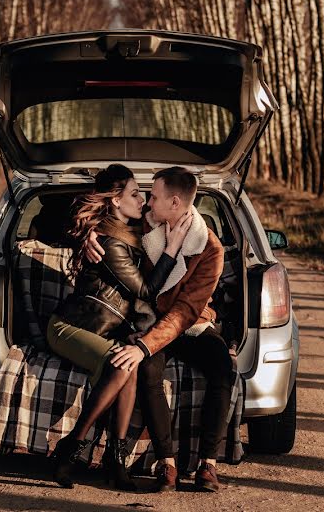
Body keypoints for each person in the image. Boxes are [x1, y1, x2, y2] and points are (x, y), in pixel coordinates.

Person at [86, 166, 234, 493]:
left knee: (223, 366)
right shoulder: (146, 224)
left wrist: (144, 345)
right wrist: (88, 233)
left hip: (189, 324)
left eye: (153, 196)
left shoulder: (210, 249)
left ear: (176, 202)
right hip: (149, 322)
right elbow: (106, 219)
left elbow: (184, 312)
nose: (147, 203)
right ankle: (167, 461)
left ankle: (207, 464)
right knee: (149, 371)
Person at [47, 164, 193, 491]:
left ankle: (115, 463)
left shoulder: (131, 230)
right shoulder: (107, 240)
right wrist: (171, 248)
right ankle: (70, 448)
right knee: (118, 362)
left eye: (143, 194)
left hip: (106, 331)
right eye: (135, 193)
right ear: (115, 200)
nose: (142, 200)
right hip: (70, 326)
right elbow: (144, 290)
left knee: (129, 362)